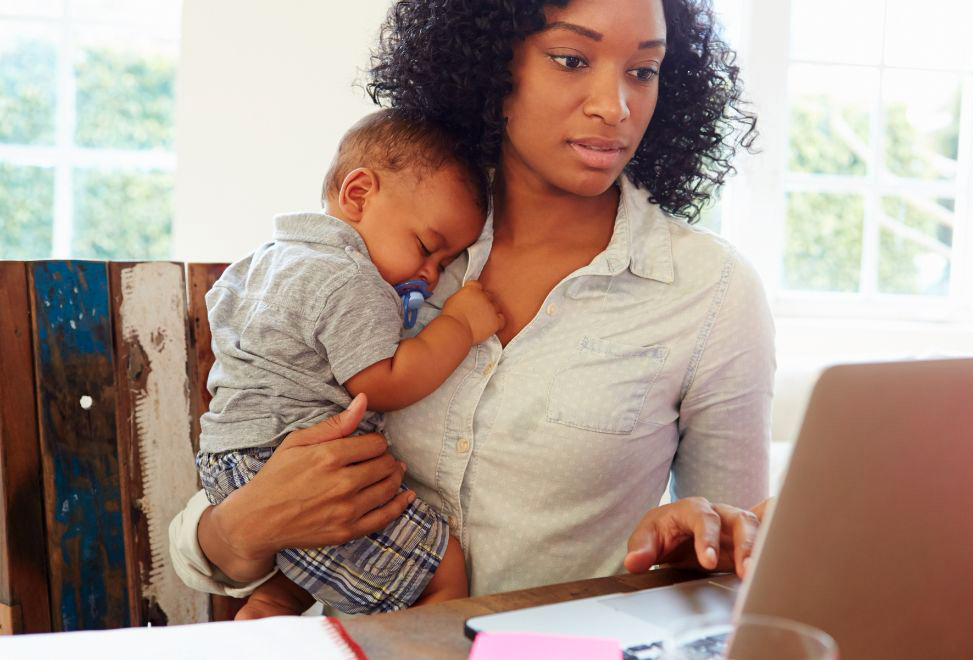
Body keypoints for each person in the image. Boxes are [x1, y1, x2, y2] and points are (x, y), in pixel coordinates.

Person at [170, 0, 775, 606]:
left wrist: (697, 548)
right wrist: (244, 532)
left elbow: (734, 566)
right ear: (493, 67)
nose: (614, 106)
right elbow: (237, 495)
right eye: (571, 59)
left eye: (643, 71)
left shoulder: (711, 292)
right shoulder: (391, 243)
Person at [193, 110, 505, 618]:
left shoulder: (266, 259)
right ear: (358, 194)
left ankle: (269, 606)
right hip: (286, 461)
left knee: (304, 575)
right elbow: (384, 382)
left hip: (231, 460)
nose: (429, 275)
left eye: (445, 264)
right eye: (427, 248)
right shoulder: (351, 279)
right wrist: (460, 326)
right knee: (442, 570)